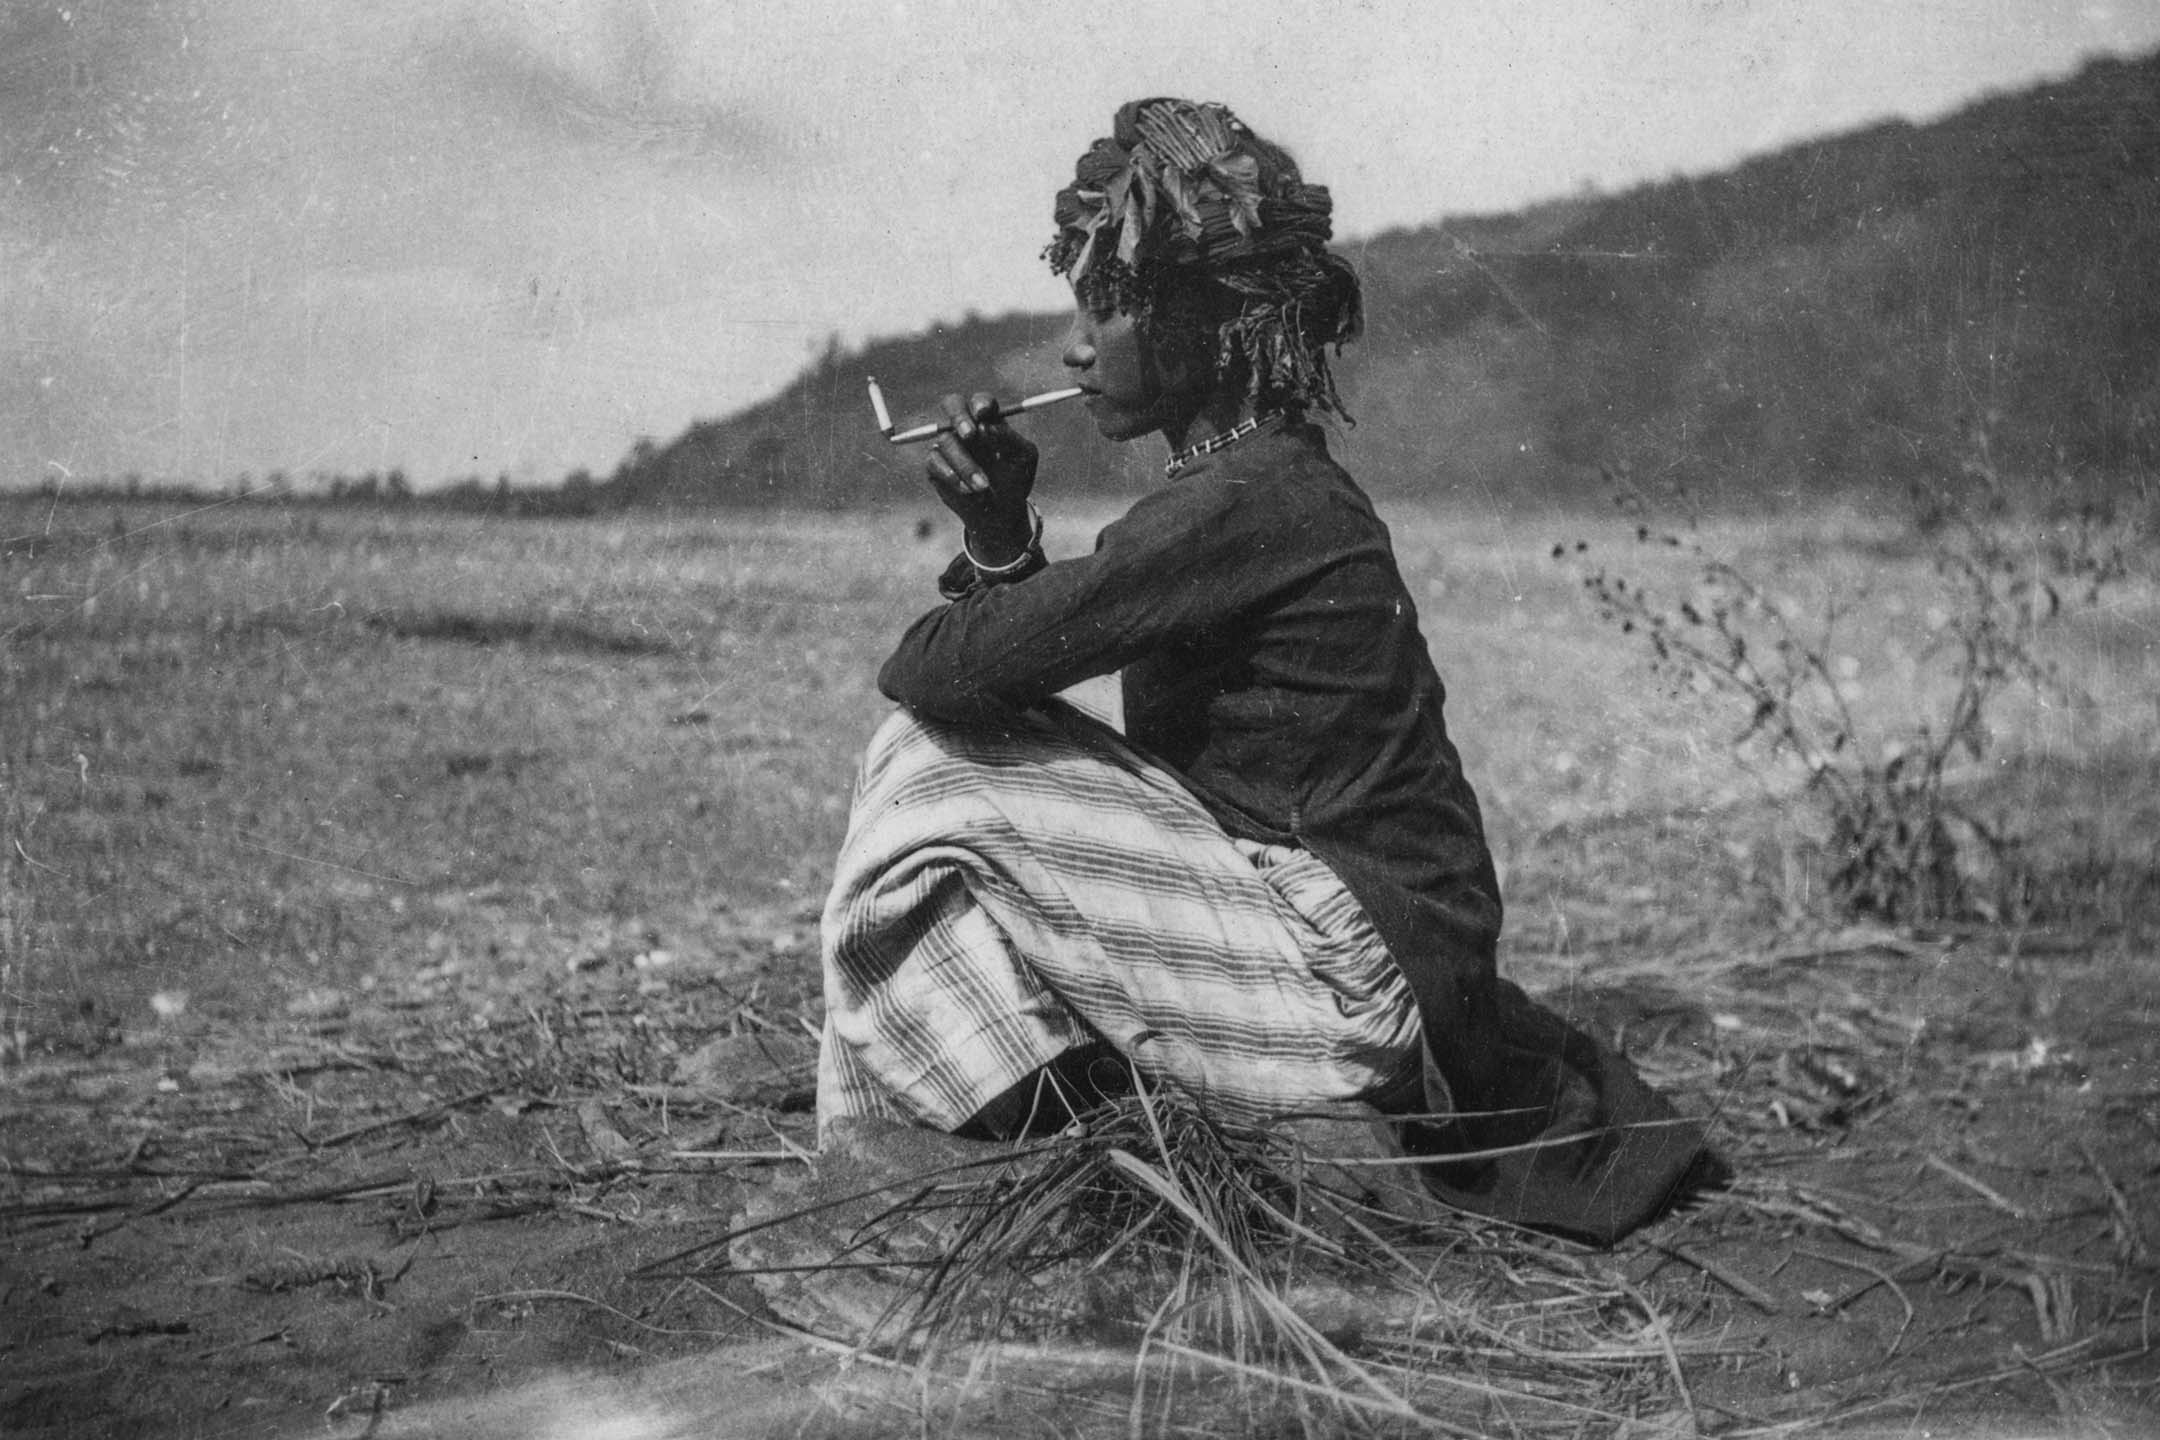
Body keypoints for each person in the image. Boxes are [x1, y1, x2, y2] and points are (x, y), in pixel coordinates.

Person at [813, 97, 1712, 1244]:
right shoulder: (1257, 486)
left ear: (1218, 325)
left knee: (926, 769)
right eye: (1078, 306)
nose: (1076, 347)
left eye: (1113, 307)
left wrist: (998, 551)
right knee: (949, 774)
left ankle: (1020, 1143)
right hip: (1366, 943)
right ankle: (1052, 1130)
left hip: (1359, 974)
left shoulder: (1246, 503)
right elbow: (990, 672)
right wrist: (999, 536)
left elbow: (935, 676)